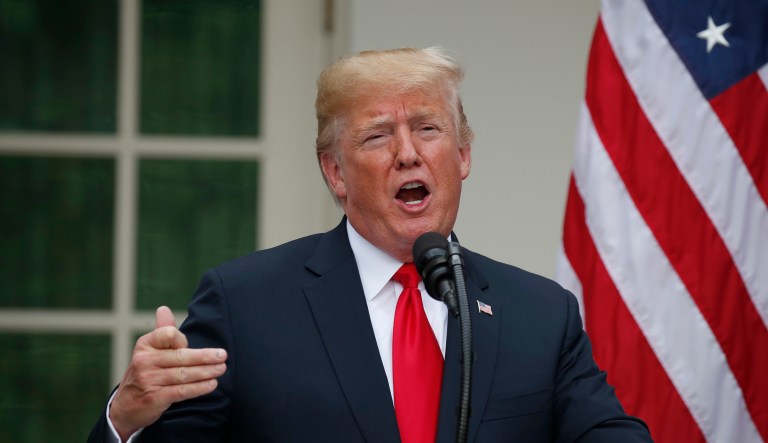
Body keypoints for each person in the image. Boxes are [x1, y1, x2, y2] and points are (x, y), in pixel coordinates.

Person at [89, 47, 653, 442]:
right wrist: (127, 418)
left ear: (463, 156)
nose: (408, 153)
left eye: (428, 129)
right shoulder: (244, 305)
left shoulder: (540, 313)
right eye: (378, 135)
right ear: (335, 171)